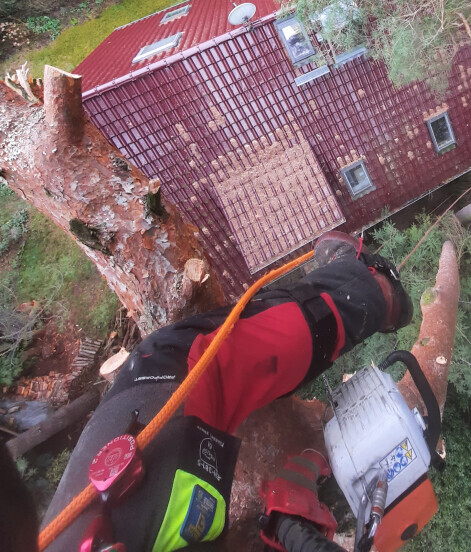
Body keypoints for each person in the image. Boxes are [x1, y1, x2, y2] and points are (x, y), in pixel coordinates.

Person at [13, 232, 412, 552]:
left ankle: (368, 296)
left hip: (139, 490)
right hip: (163, 468)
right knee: (227, 356)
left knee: (231, 359)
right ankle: (370, 292)